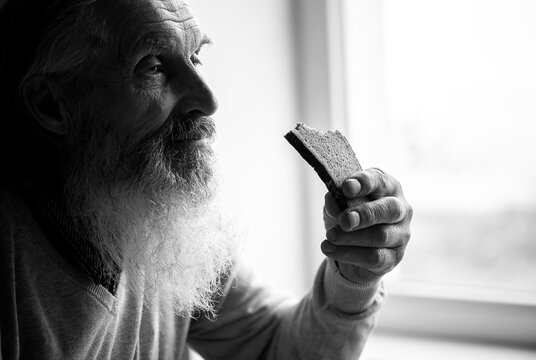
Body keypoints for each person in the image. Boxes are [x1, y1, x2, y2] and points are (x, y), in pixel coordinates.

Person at [0, 0, 412, 359]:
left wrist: (354, 278)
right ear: (52, 104)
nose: (208, 100)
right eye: (154, 66)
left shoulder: (154, 217)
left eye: (196, 57)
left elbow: (279, 349)